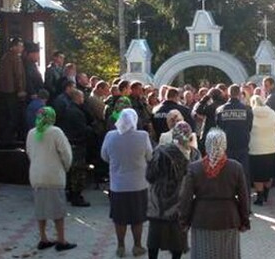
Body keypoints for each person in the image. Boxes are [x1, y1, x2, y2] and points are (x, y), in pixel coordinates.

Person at [179, 128, 250, 259]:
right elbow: (244, 197)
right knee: (227, 254)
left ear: (206, 144)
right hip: (228, 219)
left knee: (203, 253)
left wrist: (184, 220)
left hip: (202, 219)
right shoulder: (236, 167)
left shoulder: (194, 168)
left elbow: (186, 198)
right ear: (225, 144)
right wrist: (244, 220)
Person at [101, 109, 153, 257]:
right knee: (137, 218)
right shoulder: (143, 136)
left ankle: (121, 246)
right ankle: (137, 246)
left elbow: (104, 156)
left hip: (118, 185)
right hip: (138, 184)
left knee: (120, 218)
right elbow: (150, 156)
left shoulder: (110, 136)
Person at [25, 107, 77, 252]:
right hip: (53, 175)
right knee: (58, 210)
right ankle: (61, 240)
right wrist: (66, 167)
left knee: (40, 208)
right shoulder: (55, 132)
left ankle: (43, 238)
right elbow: (66, 154)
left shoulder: (31, 133)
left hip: (36, 175)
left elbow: (29, 152)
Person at [146, 122, 200, 259]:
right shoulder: (195, 155)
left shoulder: (161, 151)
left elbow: (150, 176)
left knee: (154, 239)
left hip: (159, 204)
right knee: (178, 242)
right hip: (181, 205)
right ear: (190, 136)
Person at [216, 84, 254, 198]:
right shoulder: (247, 109)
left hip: (226, 146)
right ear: (239, 94)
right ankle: (245, 204)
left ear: (228, 94)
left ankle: (228, 199)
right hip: (242, 145)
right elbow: (249, 127)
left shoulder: (220, 110)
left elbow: (219, 127)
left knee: (227, 174)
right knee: (243, 175)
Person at [57, 89, 92, 207]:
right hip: (77, 144)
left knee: (71, 171)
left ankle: (71, 193)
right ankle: (76, 196)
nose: (83, 100)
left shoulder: (68, 110)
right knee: (78, 172)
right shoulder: (76, 112)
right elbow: (82, 129)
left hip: (70, 142)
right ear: (77, 98)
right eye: (82, 97)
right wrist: (90, 130)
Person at [248, 95, 275, 206]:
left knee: (257, 174)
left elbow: (247, 129)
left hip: (255, 148)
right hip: (272, 147)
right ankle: (266, 193)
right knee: (269, 173)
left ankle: (260, 196)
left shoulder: (250, 113)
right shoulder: (272, 112)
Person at [0, 37, 26, 145]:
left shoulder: (5, 57)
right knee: (13, 117)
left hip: (4, 91)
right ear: (14, 47)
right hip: (12, 91)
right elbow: (18, 75)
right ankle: (10, 141)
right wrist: (21, 89)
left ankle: (4, 140)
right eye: (20, 46)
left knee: (6, 117)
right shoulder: (16, 58)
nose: (22, 48)